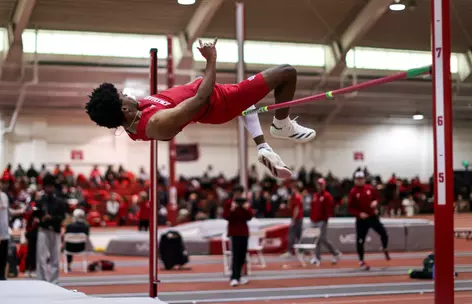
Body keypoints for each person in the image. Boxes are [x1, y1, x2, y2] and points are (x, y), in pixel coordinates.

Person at [86, 39, 316, 180]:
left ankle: (264, 147)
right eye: (122, 96)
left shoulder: (135, 113)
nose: (127, 94)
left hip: (218, 95)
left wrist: (195, 80)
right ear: (124, 108)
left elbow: (179, 95)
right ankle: (281, 125)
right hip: (221, 102)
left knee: (248, 103)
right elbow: (201, 98)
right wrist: (211, 61)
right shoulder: (156, 123)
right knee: (286, 72)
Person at [348, 171, 391, 271]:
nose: (360, 181)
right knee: (360, 240)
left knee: (384, 233)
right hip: (361, 220)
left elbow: (376, 198)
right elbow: (350, 208)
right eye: (358, 179)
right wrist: (359, 214)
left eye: (361, 179)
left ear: (364, 179)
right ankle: (361, 260)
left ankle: (384, 248)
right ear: (355, 180)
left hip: (372, 217)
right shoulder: (353, 192)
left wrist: (375, 202)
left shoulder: (369, 188)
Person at [36, 174, 67, 284]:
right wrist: (41, 218)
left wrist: (52, 218)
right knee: (41, 257)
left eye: (51, 186)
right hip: (43, 230)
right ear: (44, 187)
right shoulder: (40, 200)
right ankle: (41, 281)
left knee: (55, 258)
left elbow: (62, 217)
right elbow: (35, 215)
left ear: (53, 187)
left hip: (55, 230)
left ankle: (54, 282)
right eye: (47, 186)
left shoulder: (60, 201)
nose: (49, 189)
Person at [222, 185, 253, 287]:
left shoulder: (245, 202)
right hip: (234, 233)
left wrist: (246, 208)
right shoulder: (229, 203)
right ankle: (234, 277)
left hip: (244, 232)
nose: (238, 195)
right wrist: (232, 208)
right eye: (237, 193)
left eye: (240, 193)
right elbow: (226, 216)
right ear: (234, 193)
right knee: (235, 255)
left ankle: (239, 276)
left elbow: (250, 217)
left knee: (242, 256)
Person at [309, 178, 340, 266]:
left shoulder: (327, 196)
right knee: (316, 239)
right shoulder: (315, 195)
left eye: (321, 184)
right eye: (318, 184)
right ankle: (317, 257)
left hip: (322, 221)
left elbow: (330, 208)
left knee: (322, 238)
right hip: (314, 220)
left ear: (324, 185)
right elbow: (312, 207)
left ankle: (335, 252)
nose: (320, 186)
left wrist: (325, 219)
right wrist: (311, 218)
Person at [281, 184, 303, 258]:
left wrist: (293, 220)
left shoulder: (297, 197)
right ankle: (299, 251)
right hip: (297, 218)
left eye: (293, 188)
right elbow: (289, 207)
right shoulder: (293, 197)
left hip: (297, 219)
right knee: (297, 235)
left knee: (291, 235)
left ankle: (291, 251)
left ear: (296, 189)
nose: (291, 190)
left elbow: (296, 209)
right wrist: (289, 200)